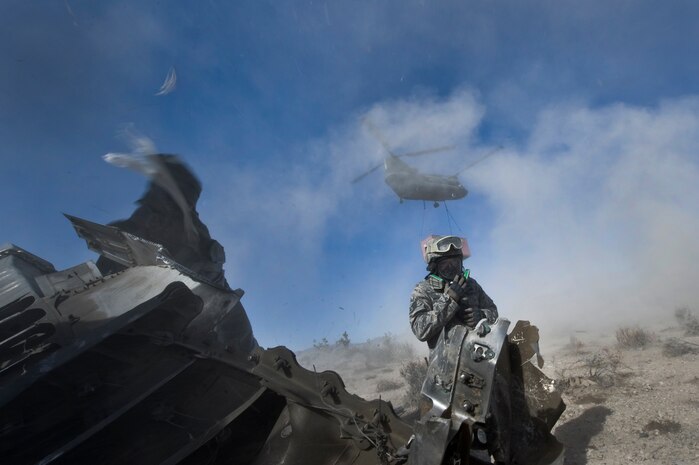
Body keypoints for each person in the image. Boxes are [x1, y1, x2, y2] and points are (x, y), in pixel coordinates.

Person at [409, 235, 497, 351]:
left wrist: (482, 316)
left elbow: (493, 311)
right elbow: (420, 330)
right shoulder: (423, 290)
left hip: (481, 355)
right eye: (445, 264)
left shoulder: (471, 284)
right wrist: (450, 300)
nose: (451, 268)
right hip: (447, 363)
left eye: (455, 263)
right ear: (434, 267)